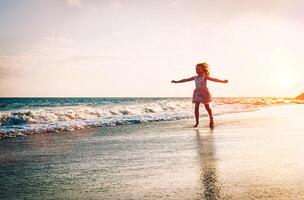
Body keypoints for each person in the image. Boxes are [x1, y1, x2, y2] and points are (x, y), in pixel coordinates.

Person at [171, 62, 228, 128]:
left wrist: (223, 81)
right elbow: (185, 80)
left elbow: (214, 79)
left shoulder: (205, 77)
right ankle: (197, 122)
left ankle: (211, 118)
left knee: (207, 107)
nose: (197, 70)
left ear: (203, 69)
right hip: (197, 93)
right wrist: (176, 81)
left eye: (199, 69)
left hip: (204, 93)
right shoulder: (195, 77)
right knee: (196, 107)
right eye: (196, 69)